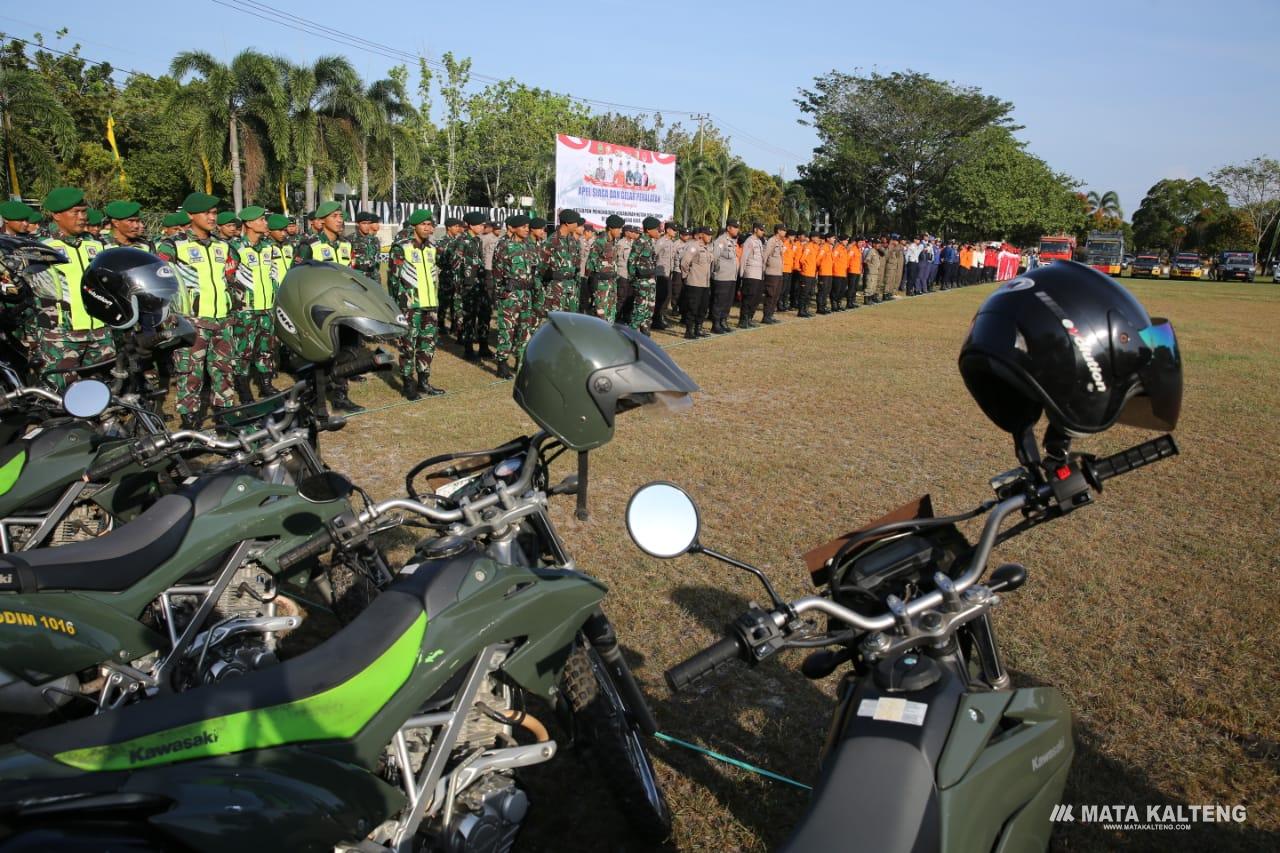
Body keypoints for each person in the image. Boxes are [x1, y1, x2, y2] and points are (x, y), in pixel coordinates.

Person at [155, 191, 235, 426]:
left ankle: (224, 416)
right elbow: (160, 281)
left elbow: (228, 277)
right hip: (192, 321)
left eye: (214, 213)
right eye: (206, 213)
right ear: (190, 215)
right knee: (190, 372)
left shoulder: (223, 245)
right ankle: (189, 420)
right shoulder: (173, 246)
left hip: (222, 319)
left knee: (223, 371)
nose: (212, 218)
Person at [34, 187, 114, 389]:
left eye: (83, 211)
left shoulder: (97, 246)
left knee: (103, 391)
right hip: (61, 336)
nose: (82, 217)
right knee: (62, 394)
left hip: (99, 333)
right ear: (56, 215)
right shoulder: (41, 248)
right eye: (75, 212)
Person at [388, 209, 445, 399]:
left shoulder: (432, 248)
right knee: (408, 347)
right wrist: (396, 306)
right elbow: (393, 280)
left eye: (430, 225)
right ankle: (408, 384)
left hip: (430, 306)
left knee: (427, 345)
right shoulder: (401, 248)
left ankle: (424, 382)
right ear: (415, 226)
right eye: (424, 225)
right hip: (410, 307)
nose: (428, 228)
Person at [229, 205, 279, 401]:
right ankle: (243, 389)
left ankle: (266, 385)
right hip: (245, 310)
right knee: (243, 350)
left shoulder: (268, 247)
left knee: (266, 348)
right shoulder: (235, 248)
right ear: (249, 223)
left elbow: (273, 275)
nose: (265, 223)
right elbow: (229, 278)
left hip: (267, 308)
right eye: (261, 219)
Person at [491, 213, 538, 380]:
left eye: (527, 227)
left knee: (524, 329)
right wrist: (500, 294)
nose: (527, 229)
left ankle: (521, 362)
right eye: (523, 227)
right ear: (514, 228)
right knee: (507, 329)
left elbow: (533, 270)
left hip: (526, 293)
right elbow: (497, 273)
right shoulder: (504, 246)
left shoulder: (530, 246)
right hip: (510, 293)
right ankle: (502, 364)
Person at [544, 209, 582, 318]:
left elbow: (576, 264)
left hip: (571, 286)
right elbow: (543, 266)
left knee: (571, 321)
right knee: (557, 321)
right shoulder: (552, 241)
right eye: (575, 222)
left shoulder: (572, 241)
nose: (576, 225)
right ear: (567, 223)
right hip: (557, 287)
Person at [587, 214, 624, 323]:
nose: (620, 231)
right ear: (611, 228)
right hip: (601, 286)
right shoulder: (599, 243)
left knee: (611, 315)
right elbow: (590, 266)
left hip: (612, 284)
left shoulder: (614, 243)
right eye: (619, 228)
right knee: (600, 317)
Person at [628, 217, 660, 335]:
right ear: (648, 230)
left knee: (649, 310)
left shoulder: (650, 242)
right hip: (641, 283)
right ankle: (631, 336)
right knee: (639, 311)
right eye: (656, 229)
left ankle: (645, 334)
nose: (659, 231)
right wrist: (634, 280)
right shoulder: (639, 242)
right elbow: (631, 261)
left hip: (650, 282)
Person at [678, 226, 713, 338]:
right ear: (701, 235)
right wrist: (686, 276)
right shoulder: (694, 246)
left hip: (705, 283)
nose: (710, 237)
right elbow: (684, 262)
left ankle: (698, 328)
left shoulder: (708, 248)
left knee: (703, 307)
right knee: (692, 307)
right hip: (694, 282)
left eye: (711, 235)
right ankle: (689, 331)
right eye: (707, 234)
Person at [709, 219, 740, 333]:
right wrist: (716, 273)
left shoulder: (732, 241)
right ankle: (716, 324)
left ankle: (723, 321)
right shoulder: (721, 241)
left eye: (737, 227)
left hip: (731, 277)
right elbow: (715, 258)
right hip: (722, 276)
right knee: (719, 301)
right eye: (735, 227)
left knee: (728, 301)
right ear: (728, 228)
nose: (737, 229)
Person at [737, 222, 765, 328]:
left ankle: (749, 318)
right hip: (750, 273)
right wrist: (742, 274)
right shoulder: (749, 241)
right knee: (748, 297)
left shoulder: (759, 241)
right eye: (761, 229)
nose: (763, 232)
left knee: (755, 298)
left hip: (758, 274)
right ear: (755, 230)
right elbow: (744, 258)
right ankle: (743, 320)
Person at [652, 221, 678, 331]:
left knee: (666, 297)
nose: (676, 232)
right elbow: (653, 255)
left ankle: (660, 318)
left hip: (668, 273)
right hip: (661, 274)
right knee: (660, 298)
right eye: (674, 230)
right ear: (668, 230)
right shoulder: (661, 242)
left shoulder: (671, 243)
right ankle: (656, 320)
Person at [351, 211, 382, 281]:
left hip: (374, 277)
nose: (367, 226)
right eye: (364, 223)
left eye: (368, 223)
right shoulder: (350, 239)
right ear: (357, 224)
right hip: (358, 277)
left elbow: (377, 259)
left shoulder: (375, 240)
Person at [614, 223, 635, 323]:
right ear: (626, 232)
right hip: (622, 273)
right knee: (621, 297)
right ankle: (617, 317)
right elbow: (616, 259)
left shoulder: (633, 243)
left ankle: (627, 316)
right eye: (631, 231)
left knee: (630, 297)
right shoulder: (620, 244)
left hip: (631, 275)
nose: (633, 233)